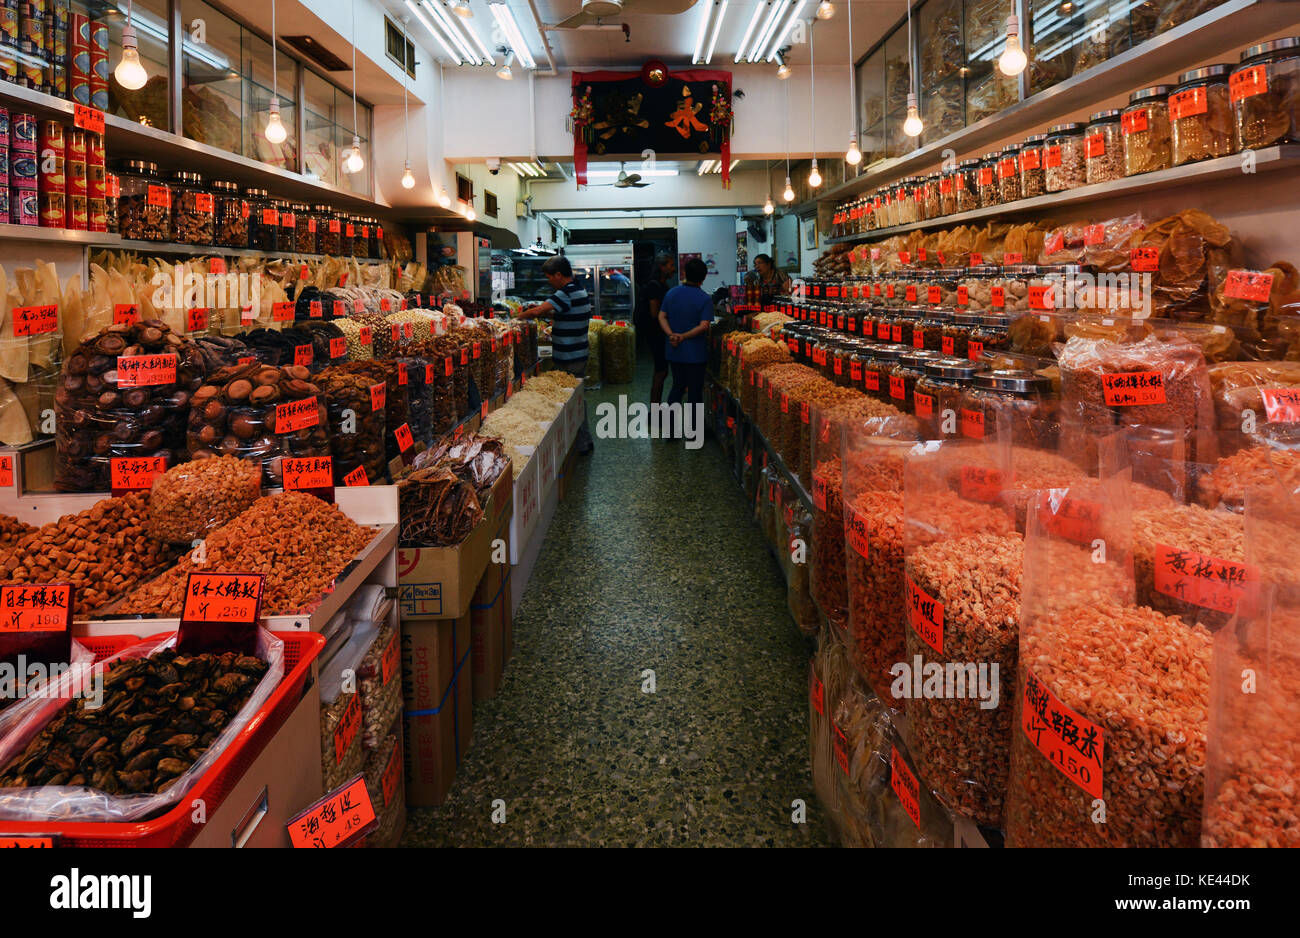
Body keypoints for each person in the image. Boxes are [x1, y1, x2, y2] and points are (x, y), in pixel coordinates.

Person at [517, 255, 594, 454]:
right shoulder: (578, 289)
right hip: (578, 352)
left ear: (559, 275)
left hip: (570, 356)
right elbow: (564, 312)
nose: (549, 281)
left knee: (571, 400)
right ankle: (582, 440)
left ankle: (582, 442)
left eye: (550, 277)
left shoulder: (565, 292)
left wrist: (517, 318)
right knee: (576, 397)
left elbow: (537, 312)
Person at [658, 257, 713, 432]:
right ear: (703, 277)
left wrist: (672, 335)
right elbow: (704, 326)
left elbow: (662, 316)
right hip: (695, 354)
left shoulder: (672, 293)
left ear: (685, 274)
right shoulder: (704, 299)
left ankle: (670, 431)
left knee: (677, 387)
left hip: (675, 351)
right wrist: (683, 336)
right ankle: (694, 433)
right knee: (695, 392)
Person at [635, 253, 675, 405]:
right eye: (670, 265)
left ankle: (656, 408)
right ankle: (655, 409)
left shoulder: (660, 284)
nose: (673, 269)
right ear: (662, 267)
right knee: (661, 371)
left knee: (661, 371)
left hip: (658, 333)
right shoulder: (654, 285)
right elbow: (654, 313)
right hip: (655, 334)